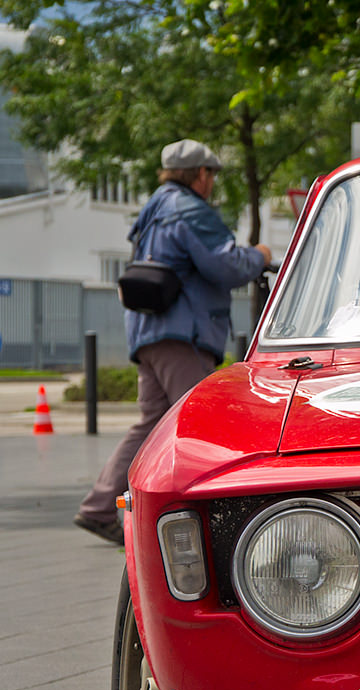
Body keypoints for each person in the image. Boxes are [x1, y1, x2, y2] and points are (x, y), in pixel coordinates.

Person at [74, 139, 271, 545]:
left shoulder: (152, 210)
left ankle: (98, 508)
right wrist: (258, 255)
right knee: (201, 425)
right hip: (183, 334)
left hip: (148, 334)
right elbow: (224, 265)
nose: (213, 182)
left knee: (150, 424)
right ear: (201, 175)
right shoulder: (191, 212)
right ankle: (210, 520)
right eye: (211, 174)